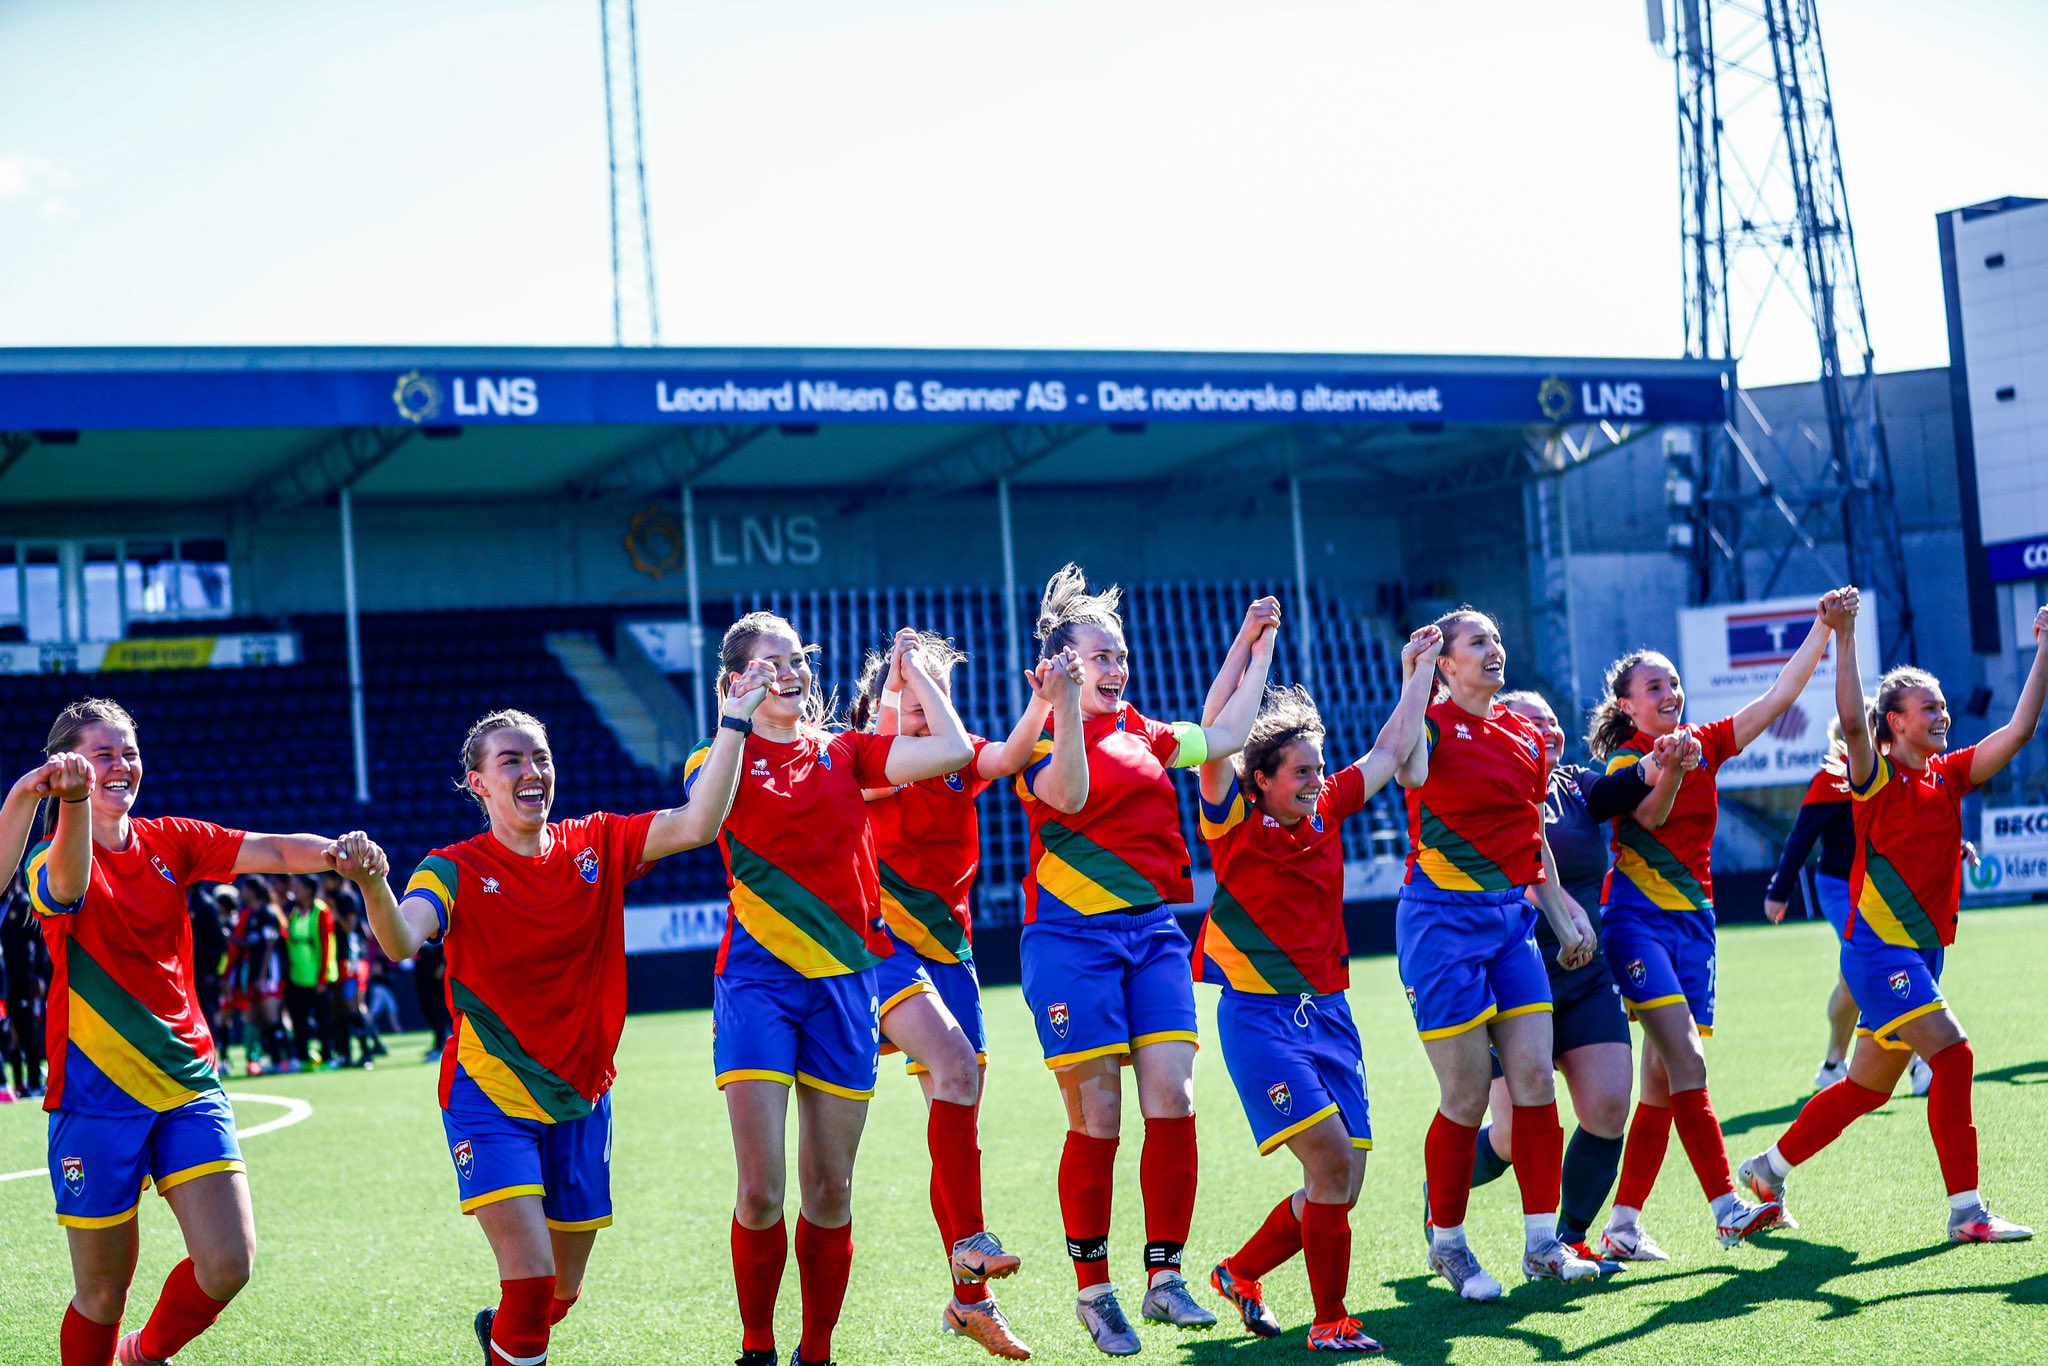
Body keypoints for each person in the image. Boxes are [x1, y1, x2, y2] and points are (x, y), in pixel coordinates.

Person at [362, 683, 774, 1366]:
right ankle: (514, 1331)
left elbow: (699, 823)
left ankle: (503, 1339)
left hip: (584, 1094)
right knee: (530, 1281)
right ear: (479, 783)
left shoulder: (599, 842)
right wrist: (375, 884)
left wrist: (734, 721)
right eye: (512, 763)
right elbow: (404, 941)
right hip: (487, 1091)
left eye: (541, 758)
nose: (532, 773)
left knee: (562, 1290)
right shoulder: (453, 868)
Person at [23, 697, 390, 1366]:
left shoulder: (172, 840)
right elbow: (69, 886)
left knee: (228, 1264)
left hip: (189, 1084)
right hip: (93, 1097)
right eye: (103, 753)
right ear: (68, 765)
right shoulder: (45, 860)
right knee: (102, 1293)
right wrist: (72, 804)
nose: (122, 765)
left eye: (129, 751)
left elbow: (272, 849)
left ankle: (143, 1355)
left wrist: (340, 855)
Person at [700, 612, 976, 1366]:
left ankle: (814, 1352)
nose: (789, 673)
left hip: (847, 989)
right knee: (760, 1192)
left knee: (829, 1192)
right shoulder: (714, 758)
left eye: (796, 660)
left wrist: (911, 672)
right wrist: (736, 717)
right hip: (756, 984)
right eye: (769, 664)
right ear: (735, 681)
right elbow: (701, 818)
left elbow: (953, 751)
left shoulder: (846, 752)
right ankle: (757, 1348)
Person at [1016, 568, 1277, 1355]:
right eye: (1099, 656)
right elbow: (1065, 795)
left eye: (1119, 656)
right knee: (1098, 1118)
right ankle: (1095, 1293)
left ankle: (1165, 1280)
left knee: (1176, 1100)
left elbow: (1227, 736)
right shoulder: (1033, 736)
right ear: (1062, 663)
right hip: (1069, 942)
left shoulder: (1144, 730)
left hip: (1154, 935)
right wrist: (1061, 709)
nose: (1115, 667)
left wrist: (1252, 645)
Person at [1738, 598, 2048, 1244]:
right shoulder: (1874, 777)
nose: (1941, 715)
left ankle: (1768, 1170)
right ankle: (1968, 1213)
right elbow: (1852, 720)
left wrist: (2043, 645)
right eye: (1928, 708)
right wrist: (1844, 636)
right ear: (1895, 724)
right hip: (1880, 955)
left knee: (1866, 1089)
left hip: (1921, 955)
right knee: (1955, 1057)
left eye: (1942, 706)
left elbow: (2018, 731)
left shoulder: (1949, 775)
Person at [1198, 625, 1440, 1355]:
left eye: (1318, 769)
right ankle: (1331, 1320)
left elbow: (1393, 749)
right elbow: (1213, 734)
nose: (1315, 780)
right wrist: (1250, 647)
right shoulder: (1232, 820)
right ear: (1262, 778)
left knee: (1342, 1182)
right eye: (1300, 772)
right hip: (1260, 1019)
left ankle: (1239, 1273)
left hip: (1331, 1015)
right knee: (1331, 1163)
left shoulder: (1329, 808)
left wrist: (1418, 671)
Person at [1589, 592, 1850, 1261]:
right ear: (1628, 707)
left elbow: (1779, 694)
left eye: (1674, 682)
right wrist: (1671, 767)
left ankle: (1622, 1225)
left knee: (1659, 1082)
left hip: (1696, 927)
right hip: (1636, 923)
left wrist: (1823, 627)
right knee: (1689, 1062)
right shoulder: (1627, 763)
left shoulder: (1707, 742)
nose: (1670, 692)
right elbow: (1647, 818)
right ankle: (1727, 1207)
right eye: (1655, 686)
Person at [848, 628, 1086, 1360]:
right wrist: (902, 681)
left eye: (937, 701)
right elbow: (884, 749)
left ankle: (968, 1300)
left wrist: (1044, 703)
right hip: (882, 946)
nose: (928, 714)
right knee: (952, 1074)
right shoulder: (866, 761)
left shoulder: (958, 763)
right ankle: (972, 1246)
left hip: (951, 954)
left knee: (958, 1113)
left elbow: (1010, 757)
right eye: (915, 704)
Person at [1402, 608, 1600, 1301]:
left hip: (1510, 924)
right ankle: (1449, 1245)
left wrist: (1563, 914)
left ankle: (1544, 1245)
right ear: (1446, 663)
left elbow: (1530, 843)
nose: (1493, 649)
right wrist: (1413, 680)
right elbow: (1403, 765)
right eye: (1476, 642)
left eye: (1496, 637)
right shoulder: (1424, 723)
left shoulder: (1523, 735)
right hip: (1439, 926)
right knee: (1462, 1096)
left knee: (1536, 1086)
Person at [1459, 691, 1677, 1269]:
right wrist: (1560, 912)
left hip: (1585, 974)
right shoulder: (1483, 788)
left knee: (1607, 1108)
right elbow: (1519, 865)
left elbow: (1629, 784)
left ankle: (1569, 1239)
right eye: (1534, 723)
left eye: (1554, 722)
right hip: (1513, 971)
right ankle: (1444, 1197)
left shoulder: (1576, 785)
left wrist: (1668, 757)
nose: (1550, 731)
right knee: (1508, 1137)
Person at [1762, 724, 1860, 1091]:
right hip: (1840, 888)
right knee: (1869, 967)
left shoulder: (1893, 772)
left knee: (1856, 978)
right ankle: (1916, 1060)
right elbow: (1801, 838)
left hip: (1884, 890)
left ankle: (1834, 1063)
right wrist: (1780, 889)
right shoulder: (1832, 779)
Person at [282, 874, 335, 1068]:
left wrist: (322, 978)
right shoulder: (294, 911)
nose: (294, 890)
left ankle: (328, 1057)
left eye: (298, 887)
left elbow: (326, 945)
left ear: (309, 890)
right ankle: (303, 1058)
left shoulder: (321, 912)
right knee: (299, 1020)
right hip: (297, 976)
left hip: (317, 977)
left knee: (323, 1020)